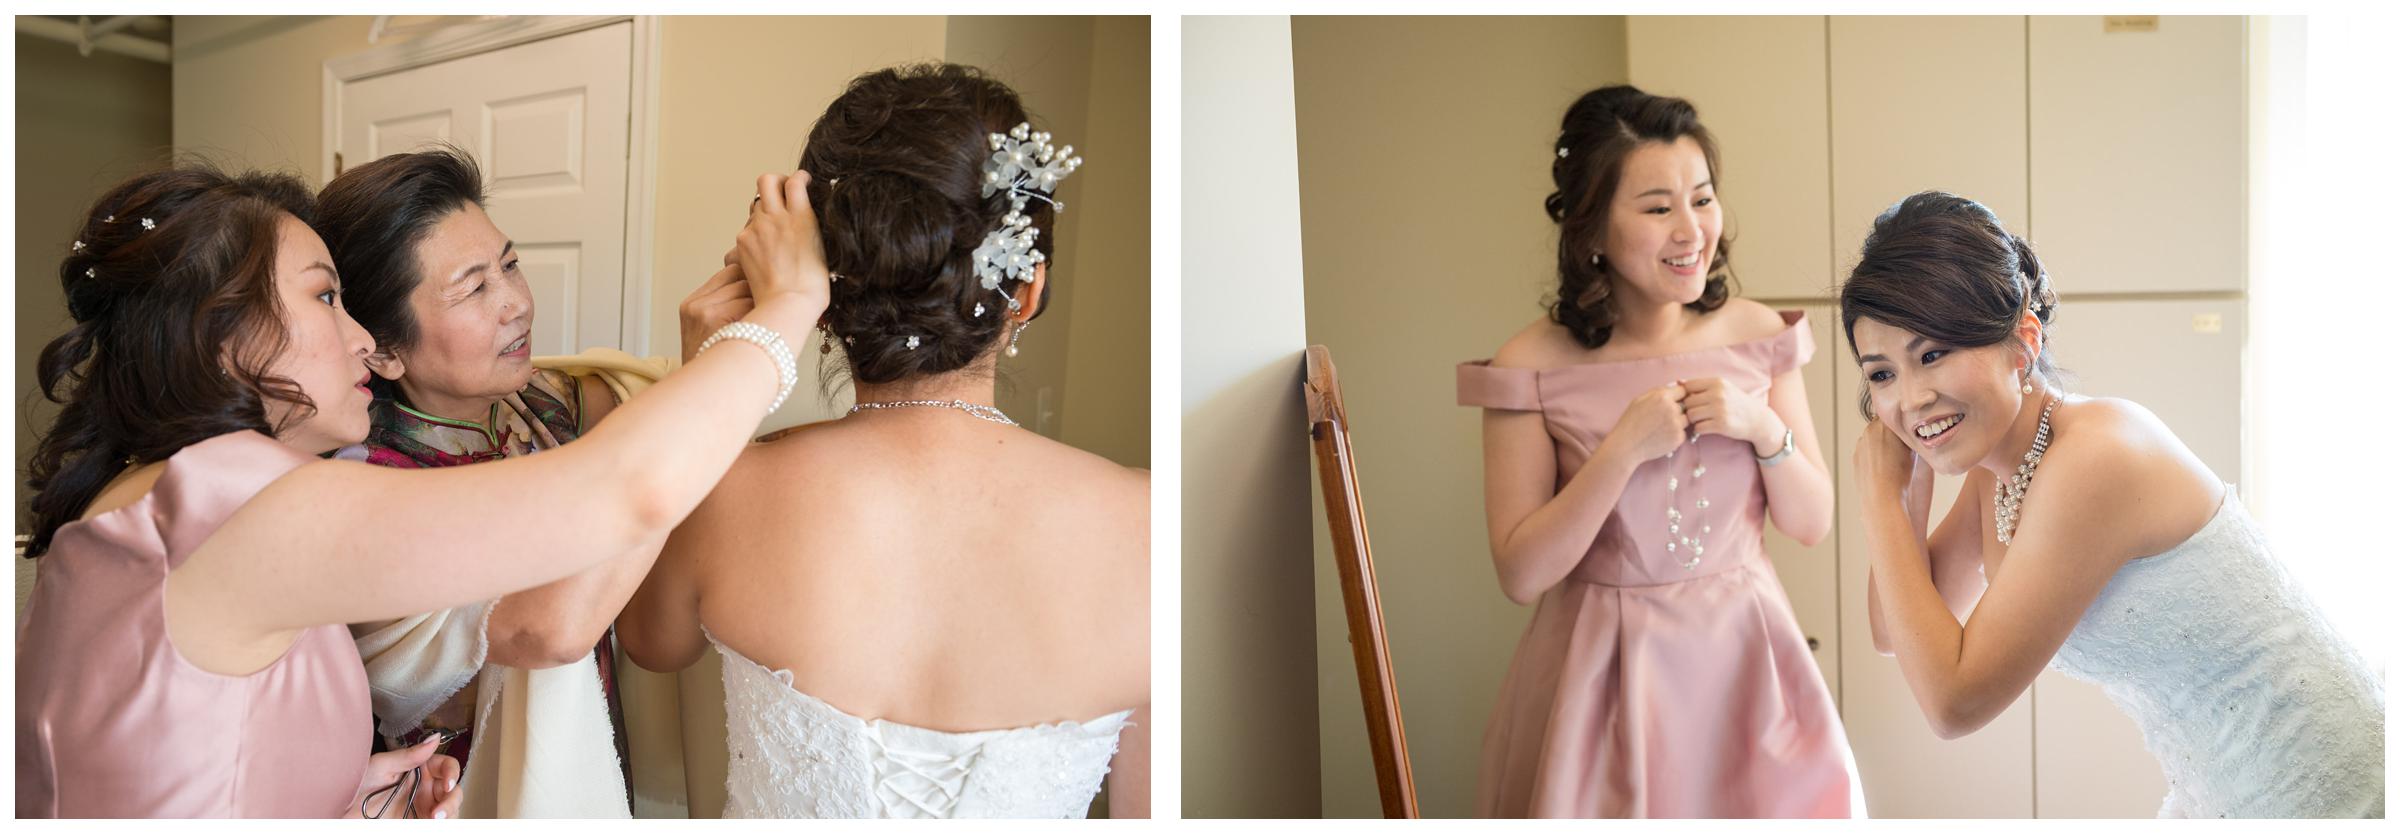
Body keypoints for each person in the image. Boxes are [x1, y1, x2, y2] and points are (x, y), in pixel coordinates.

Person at [16, 162, 828, 817]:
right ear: (223, 332)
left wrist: (335, 794)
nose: (361, 338)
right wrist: (786, 310)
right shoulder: (238, 505)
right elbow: (623, 495)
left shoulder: (151, 495)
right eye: (326, 297)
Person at [618, 63, 1150, 819]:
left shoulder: (729, 484)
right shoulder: (1147, 525)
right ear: (1026, 294)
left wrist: (705, 386)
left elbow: (650, 643)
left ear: (825, 297)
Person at [1843, 190, 2385, 818]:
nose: (1909, 399)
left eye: (1932, 355)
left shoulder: (2096, 457)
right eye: (1881, 375)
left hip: (2318, 785)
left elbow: (1953, 703)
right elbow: (1896, 631)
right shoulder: (2004, 464)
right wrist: (1906, 489)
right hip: (2223, 793)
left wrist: (1879, 500)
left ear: (2022, 341)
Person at [1457, 85, 1860, 818]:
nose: (1691, 230)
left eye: (1702, 199)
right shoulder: (1529, 365)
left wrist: (1762, 429)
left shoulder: (1757, 333)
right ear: (1590, 233)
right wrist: (1620, 452)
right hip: (1601, 677)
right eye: (1656, 208)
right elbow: (1521, 573)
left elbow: (1812, 522)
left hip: (1747, 666)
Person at [308, 148, 666, 817]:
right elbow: (542, 631)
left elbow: (656, 425)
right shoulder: (370, 487)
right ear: (382, 348)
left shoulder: (548, 405)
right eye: (473, 288)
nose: (518, 305)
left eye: (509, 265)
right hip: (457, 800)